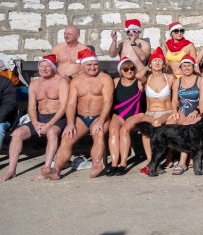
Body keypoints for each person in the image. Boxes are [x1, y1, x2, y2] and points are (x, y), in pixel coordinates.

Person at [2, 55, 68, 181]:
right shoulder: (34, 83)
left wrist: (49, 124)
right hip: (39, 117)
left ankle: (46, 168)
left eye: (47, 66)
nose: (44, 69)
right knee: (17, 134)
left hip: (57, 117)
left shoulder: (61, 82)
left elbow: (63, 107)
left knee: (52, 132)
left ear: (53, 68)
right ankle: (11, 170)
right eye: (41, 66)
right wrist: (35, 123)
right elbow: (31, 107)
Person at [49, 49, 113, 179]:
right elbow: (71, 104)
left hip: (99, 116)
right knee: (67, 137)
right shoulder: (76, 81)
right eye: (89, 65)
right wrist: (70, 123)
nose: (93, 67)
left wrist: (101, 120)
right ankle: (56, 169)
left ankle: (97, 164)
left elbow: (108, 101)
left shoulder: (105, 79)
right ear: (82, 65)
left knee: (99, 133)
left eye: (95, 64)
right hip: (81, 118)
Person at [118, 47, 175, 175]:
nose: (157, 63)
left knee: (157, 124)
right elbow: (138, 75)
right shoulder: (146, 78)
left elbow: (176, 97)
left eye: (160, 61)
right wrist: (147, 67)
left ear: (164, 64)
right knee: (145, 128)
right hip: (150, 112)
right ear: (150, 64)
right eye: (154, 61)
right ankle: (151, 161)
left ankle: (166, 158)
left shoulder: (170, 78)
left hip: (166, 111)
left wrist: (175, 112)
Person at [105, 56, 145, 176]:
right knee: (113, 131)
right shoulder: (116, 81)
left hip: (136, 114)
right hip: (118, 114)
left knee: (124, 130)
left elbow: (142, 75)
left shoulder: (139, 81)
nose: (129, 71)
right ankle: (114, 163)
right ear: (120, 71)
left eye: (132, 68)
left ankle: (123, 163)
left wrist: (146, 67)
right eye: (125, 69)